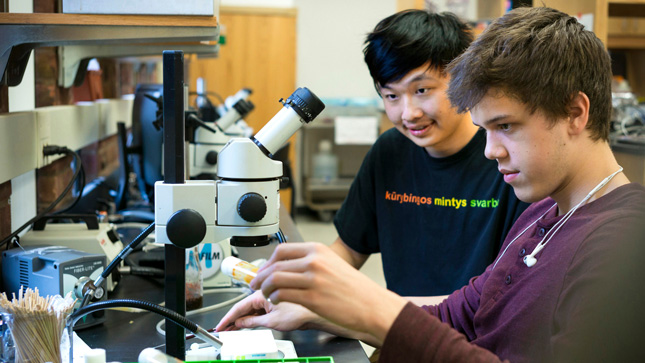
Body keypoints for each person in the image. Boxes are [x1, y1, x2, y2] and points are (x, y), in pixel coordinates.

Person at [217, 6, 645, 362]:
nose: (489, 150)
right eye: (485, 128)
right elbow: (454, 316)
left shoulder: (624, 241)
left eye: (506, 126)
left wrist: (372, 308)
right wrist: (319, 306)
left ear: (575, 113)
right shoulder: (542, 215)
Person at [331, 9, 528, 298]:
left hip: (478, 337)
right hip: (400, 331)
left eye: (422, 89)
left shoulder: (505, 156)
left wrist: (386, 314)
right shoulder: (389, 152)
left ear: (463, 79)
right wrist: (301, 285)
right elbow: (348, 250)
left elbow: (513, 294)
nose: (409, 114)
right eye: (392, 96)